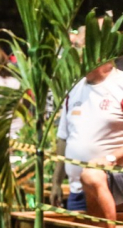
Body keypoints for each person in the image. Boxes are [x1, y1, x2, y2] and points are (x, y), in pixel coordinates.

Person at [52, 61, 123, 218]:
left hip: (115, 191)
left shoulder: (120, 84)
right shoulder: (74, 88)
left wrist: (111, 158)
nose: (82, 59)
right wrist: (56, 182)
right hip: (77, 192)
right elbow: (63, 138)